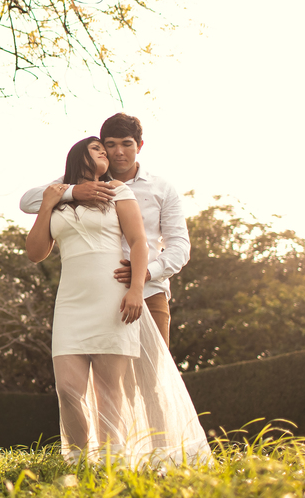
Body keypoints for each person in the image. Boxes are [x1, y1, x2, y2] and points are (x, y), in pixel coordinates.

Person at [26, 137, 210, 466]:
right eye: (99, 148)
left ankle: (112, 463)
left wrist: (136, 289)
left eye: (108, 149)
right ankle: (81, 459)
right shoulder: (56, 194)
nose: (107, 154)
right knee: (68, 389)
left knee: (109, 392)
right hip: (71, 302)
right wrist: (53, 201)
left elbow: (139, 242)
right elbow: (36, 253)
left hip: (113, 297)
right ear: (78, 154)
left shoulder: (119, 192)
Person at [20, 113, 189, 346]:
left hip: (149, 293)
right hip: (97, 294)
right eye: (111, 145)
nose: (118, 152)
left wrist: (145, 273)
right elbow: (28, 202)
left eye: (126, 144)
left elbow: (180, 245)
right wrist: (73, 192)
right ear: (102, 147)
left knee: (154, 377)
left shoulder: (162, 188)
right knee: (108, 378)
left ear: (139, 146)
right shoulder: (76, 183)